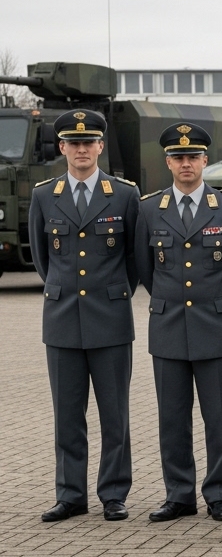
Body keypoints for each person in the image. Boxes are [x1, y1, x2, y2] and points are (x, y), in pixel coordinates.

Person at [134, 123, 222, 523]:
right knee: (172, 417)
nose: (186, 164)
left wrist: (221, 304)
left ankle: (219, 493)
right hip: (168, 326)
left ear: (206, 161)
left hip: (216, 326)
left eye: (193, 157)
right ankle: (179, 494)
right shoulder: (150, 208)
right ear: (168, 162)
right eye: (178, 157)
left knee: (218, 416)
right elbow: (144, 267)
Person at [30, 109, 141, 523]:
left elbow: (134, 259)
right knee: (67, 415)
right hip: (61, 320)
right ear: (62, 148)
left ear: (99, 147)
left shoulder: (124, 194)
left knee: (115, 415)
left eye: (89, 142)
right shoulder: (44, 195)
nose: (81, 149)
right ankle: (70, 494)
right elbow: (44, 261)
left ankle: (114, 493)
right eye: (73, 143)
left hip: (110, 319)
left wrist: (112, 292)